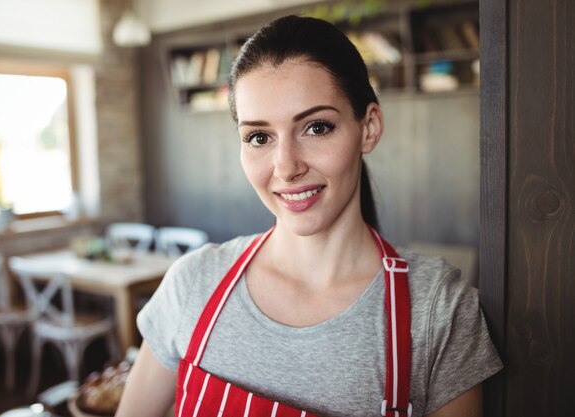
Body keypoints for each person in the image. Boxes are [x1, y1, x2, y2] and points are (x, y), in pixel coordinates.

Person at [116, 15, 502, 417]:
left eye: (316, 128)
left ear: (368, 128)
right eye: (259, 137)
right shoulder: (192, 283)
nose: (286, 167)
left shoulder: (439, 309)